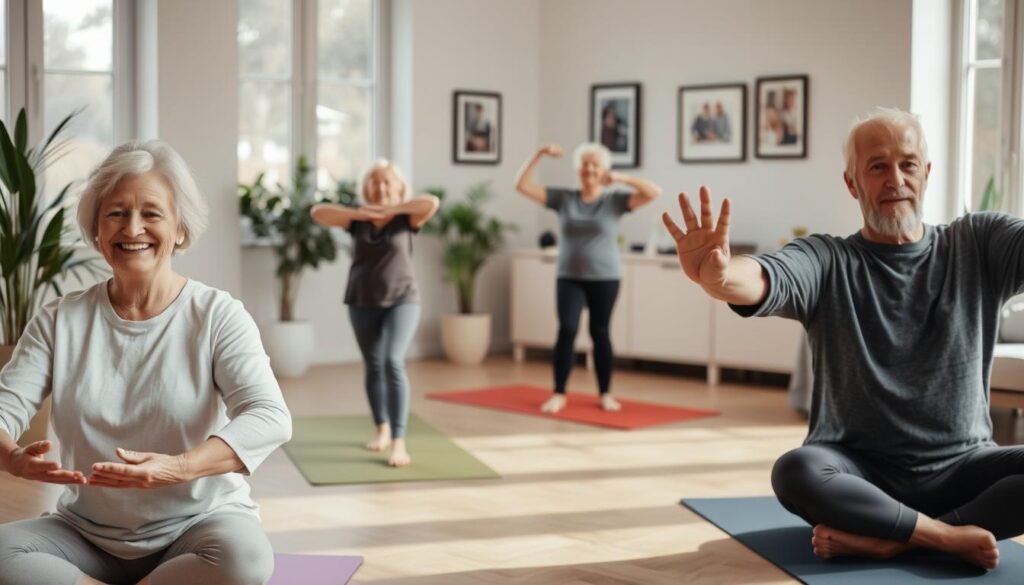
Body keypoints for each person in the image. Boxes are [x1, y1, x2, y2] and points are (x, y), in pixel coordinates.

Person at [661, 107, 1024, 570]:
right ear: (852, 183)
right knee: (796, 470)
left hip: (962, 469)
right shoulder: (827, 259)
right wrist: (719, 277)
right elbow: (764, 277)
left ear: (927, 173)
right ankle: (945, 535)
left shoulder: (978, 241)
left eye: (907, 163)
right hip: (858, 476)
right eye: (877, 166)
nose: (895, 179)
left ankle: (896, 539)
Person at [0, 140, 293, 584]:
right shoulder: (60, 319)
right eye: (116, 213)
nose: (131, 228)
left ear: (179, 228)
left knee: (246, 560)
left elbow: (270, 416)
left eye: (151, 213)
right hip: (84, 534)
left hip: (197, 529)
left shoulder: (216, 315)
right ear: (97, 229)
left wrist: (176, 468)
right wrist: (13, 458)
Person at [515, 143, 662, 414]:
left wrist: (620, 178)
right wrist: (539, 154)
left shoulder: (614, 200)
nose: (590, 169)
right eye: (585, 163)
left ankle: (606, 393)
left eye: (595, 164)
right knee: (567, 329)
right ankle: (558, 392)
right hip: (569, 276)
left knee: (600, 332)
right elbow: (522, 186)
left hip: (605, 278)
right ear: (577, 168)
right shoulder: (564, 199)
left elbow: (654, 192)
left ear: (604, 169)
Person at [311, 160, 439, 467]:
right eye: (375, 183)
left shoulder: (408, 218)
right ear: (367, 188)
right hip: (361, 299)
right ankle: (380, 429)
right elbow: (318, 213)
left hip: (403, 300)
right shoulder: (357, 221)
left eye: (387, 183)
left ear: (398, 188)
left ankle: (398, 441)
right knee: (373, 363)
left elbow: (432, 202)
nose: (381, 188)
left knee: (393, 361)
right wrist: (361, 213)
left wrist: (392, 210)